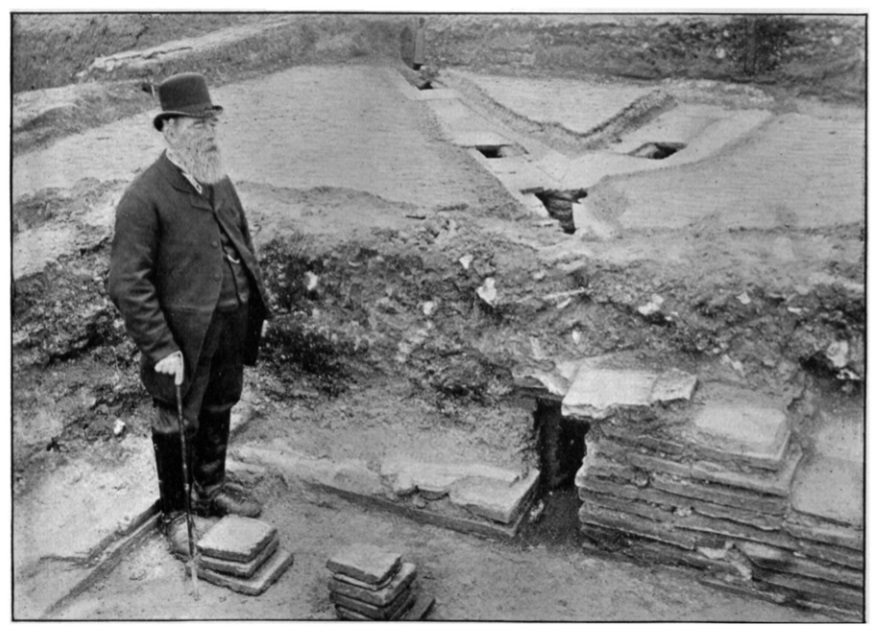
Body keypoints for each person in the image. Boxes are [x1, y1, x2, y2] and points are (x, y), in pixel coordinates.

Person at [108, 72, 271, 547]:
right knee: (177, 418)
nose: (210, 132)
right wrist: (161, 346)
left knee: (221, 403)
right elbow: (127, 283)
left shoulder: (217, 179)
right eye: (198, 124)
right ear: (169, 129)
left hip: (230, 321)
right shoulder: (143, 198)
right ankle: (176, 514)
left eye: (212, 123)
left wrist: (253, 306)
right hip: (183, 337)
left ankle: (210, 489)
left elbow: (242, 241)